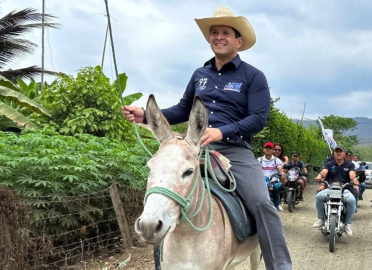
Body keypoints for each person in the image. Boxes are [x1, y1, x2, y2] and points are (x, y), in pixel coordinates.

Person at [121, 7, 292, 269]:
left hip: (234, 150)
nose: (219, 37)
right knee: (163, 188)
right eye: (214, 32)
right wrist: (145, 115)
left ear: (239, 41)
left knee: (261, 202)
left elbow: (258, 118)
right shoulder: (200, 75)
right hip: (192, 147)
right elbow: (182, 110)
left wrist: (222, 131)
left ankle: (280, 265)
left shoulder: (253, 76)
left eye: (225, 32)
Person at [312, 145, 359, 236]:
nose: (338, 153)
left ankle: (347, 224)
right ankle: (321, 219)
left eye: (340, 151)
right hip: (331, 188)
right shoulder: (329, 164)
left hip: (344, 189)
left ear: (344, 154)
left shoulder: (350, 165)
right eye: (336, 151)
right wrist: (319, 176)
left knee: (351, 200)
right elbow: (324, 172)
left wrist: (354, 180)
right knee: (319, 196)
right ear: (334, 153)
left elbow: (352, 174)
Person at [258, 142, 285, 211]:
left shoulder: (277, 160)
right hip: (262, 181)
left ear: (272, 150)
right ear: (263, 149)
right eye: (266, 148)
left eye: (270, 148)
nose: (268, 149)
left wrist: (281, 171)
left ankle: (276, 206)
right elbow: (255, 169)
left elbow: (280, 168)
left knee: (276, 188)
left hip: (274, 180)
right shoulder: (259, 160)